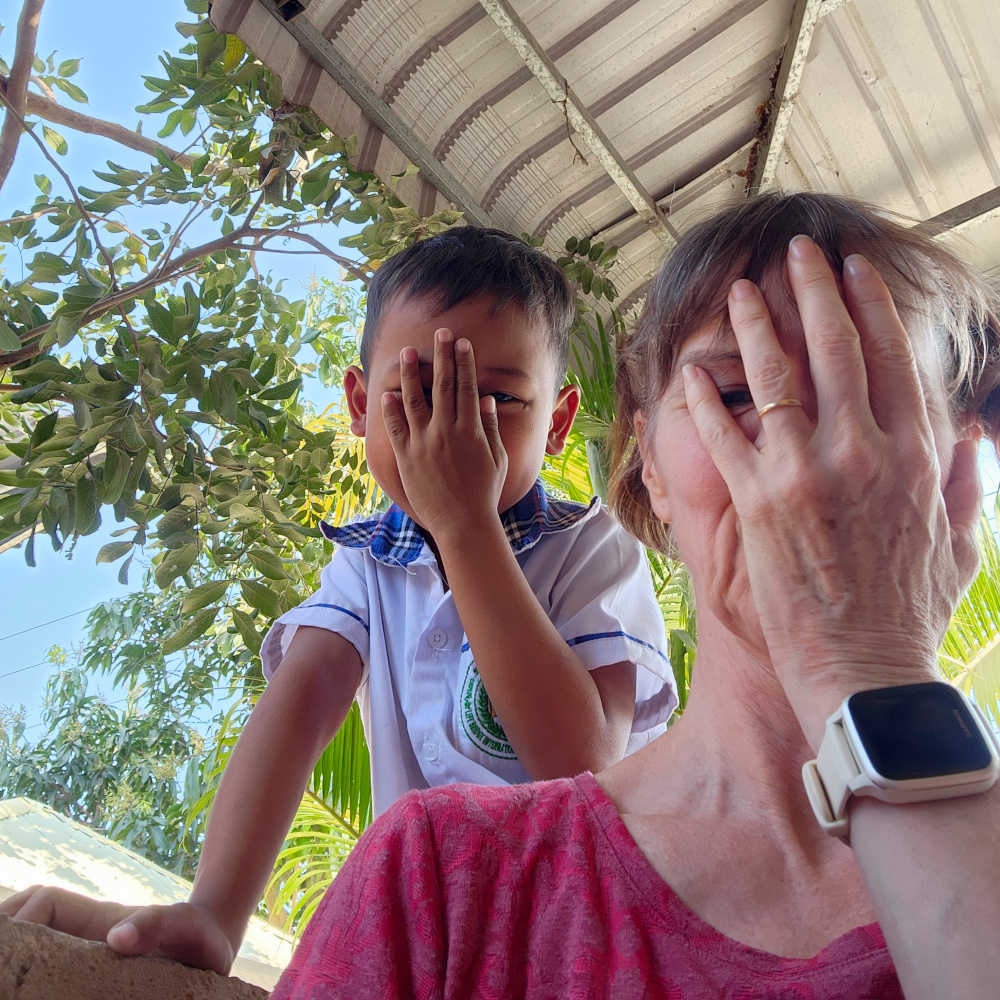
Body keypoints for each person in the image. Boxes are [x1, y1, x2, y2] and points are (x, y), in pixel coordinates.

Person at [255, 193, 1000, 999]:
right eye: (737, 393)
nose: (807, 460)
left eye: (872, 397)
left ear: (957, 465)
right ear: (650, 461)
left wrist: (870, 667)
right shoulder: (442, 876)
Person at [0, 228, 676, 973]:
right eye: (418, 393)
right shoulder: (364, 562)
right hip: (425, 944)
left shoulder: (591, 548)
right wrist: (215, 911)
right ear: (358, 404)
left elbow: (583, 761)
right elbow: (302, 703)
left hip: (582, 940)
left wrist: (465, 524)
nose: (451, 430)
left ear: (556, 423)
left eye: (497, 399)